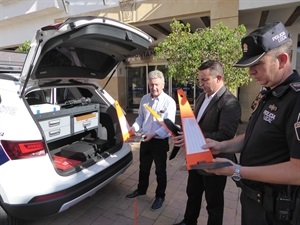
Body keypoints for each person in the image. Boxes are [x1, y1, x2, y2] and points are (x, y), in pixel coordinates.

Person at [198, 22, 300, 225]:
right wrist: (222, 145)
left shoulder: (296, 100)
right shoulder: (269, 92)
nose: (250, 72)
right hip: (253, 200)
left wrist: (236, 170)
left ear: (282, 60)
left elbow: (298, 171)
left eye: (257, 64)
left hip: (276, 211)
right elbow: (254, 135)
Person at [174, 60, 241, 225]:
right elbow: (196, 124)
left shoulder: (230, 102)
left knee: (214, 203)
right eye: (200, 80)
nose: (201, 84)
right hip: (196, 157)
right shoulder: (202, 96)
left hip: (215, 161)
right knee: (193, 193)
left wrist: (192, 137)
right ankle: (189, 221)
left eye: (205, 80)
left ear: (218, 78)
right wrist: (185, 131)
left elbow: (225, 135)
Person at [126, 70, 176, 210]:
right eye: (151, 85)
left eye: (156, 85)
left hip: (159, 141)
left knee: (160, 171)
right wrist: (134, 127)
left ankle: (160, 196)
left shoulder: (169, 102)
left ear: (163, 84)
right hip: (145, 139)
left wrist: (153, 134)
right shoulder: (144, 99)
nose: (154, 88)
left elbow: (169, 126)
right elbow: (141, 118)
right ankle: (141, 190)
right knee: (143, 168)